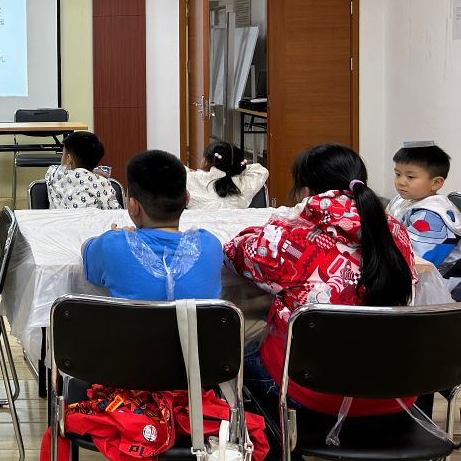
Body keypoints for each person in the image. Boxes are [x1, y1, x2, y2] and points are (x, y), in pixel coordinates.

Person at [224, 144, 415, 453]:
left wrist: (266, 230)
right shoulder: (393, 231)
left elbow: (235, 254)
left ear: (305, 191)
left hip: (314, 392)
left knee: (236, 356)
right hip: (396, 389)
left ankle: (274, 447)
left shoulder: (290, 235)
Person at [83, 149, 222, 300]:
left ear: (133, 206)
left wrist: (117, 236)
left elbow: (85, 248)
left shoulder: (111, 245)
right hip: (197, 318)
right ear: (186, 199)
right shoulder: (211, 245)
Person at [385, 144, 460, 270]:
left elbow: (416, 263)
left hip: (429, 277)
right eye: (398, 174)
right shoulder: (402, 200)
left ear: (436, 183)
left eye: (410, 177)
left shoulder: (432, 217)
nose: (400, 182)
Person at [44, 131, 120, 209]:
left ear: (69, 159)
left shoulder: (57, 175)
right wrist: (90, 172)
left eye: (63, 154)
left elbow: (52, 169)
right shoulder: (103, 183)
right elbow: (115, 211)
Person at [185, 141, 269, 210]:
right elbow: (261, 170)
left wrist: (191, 172)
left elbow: (178, 171)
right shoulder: (244, 184)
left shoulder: (193, 178)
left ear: (205, 162)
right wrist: (233, 169)